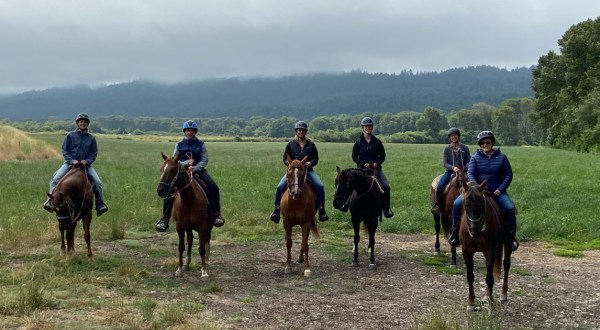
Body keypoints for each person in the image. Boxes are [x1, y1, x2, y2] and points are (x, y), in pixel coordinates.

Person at [449, 130, 519, 251]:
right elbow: (471, 173)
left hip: (497, 191)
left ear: (492, 142)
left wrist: (500, 189)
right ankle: (455, 234)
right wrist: (476, 188)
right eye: (482, 143)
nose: (485, 145)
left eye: (487, 142)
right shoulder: (475, 158)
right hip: (477, 191)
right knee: (456, 204)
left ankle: (510, 238)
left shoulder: (502, 157)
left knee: (509, 208)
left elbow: (508, 175)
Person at [155, 120, 225, 232]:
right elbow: (174, 161)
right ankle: (165, 219)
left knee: (213, 187)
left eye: (192, 131)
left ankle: (216, 214)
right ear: (185, 132)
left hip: (198, 171)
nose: (189, 132)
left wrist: (196, 167)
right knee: (169, 192)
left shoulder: (201, 144)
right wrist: (186, 163)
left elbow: (204, 159)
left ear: (195, 132)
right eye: (187, 130)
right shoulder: (179, 145)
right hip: (182, 173)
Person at [43, 113, 108, 216]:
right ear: (77, 123)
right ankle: (50, 202)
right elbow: (65, 150)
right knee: (55, 179)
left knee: (98, 182)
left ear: (87, 124)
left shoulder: (91, 138)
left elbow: (93, 153)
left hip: (85, 165)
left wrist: (87, 161)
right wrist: (71, 160)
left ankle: (100, 204)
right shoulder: (70, 135)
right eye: (81, 122)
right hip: (69, 163)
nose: (83, 123)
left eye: (85, 122)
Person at [269, 121, 329, 223]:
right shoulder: (290, 144)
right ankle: (276, 210)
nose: (301, 132)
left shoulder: (311, 144)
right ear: (296, 131)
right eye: (299, 130)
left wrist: (310, 163)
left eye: (303, 130)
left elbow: (316, 158)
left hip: (307, 171)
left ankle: (321, 210)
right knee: (280, 186)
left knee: (320, 186)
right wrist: (291, 165)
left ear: (305, 132)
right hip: (293, 172)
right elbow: (285, 158)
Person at [352, 117, 394, 218]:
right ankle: (347, 206)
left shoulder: (377, 142)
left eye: (369, 126)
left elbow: (382, 155)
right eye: (365, 126)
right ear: (363, 128)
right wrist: (362, 163)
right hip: (362, 170)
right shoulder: (358, 142)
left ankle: (386, 209)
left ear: (372, 127)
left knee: (386, 186)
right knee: (350, 185)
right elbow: (354, 156)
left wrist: (377, 163)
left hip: (375, 170)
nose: (367, 128)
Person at [431, 127, 471, 214]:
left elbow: (469, 161)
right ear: (450, 137)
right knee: (440, 185)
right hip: (450, 172)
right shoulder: (447, 149)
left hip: (464, 172)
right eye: (451, 136)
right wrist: (453, 168)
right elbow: (445, 163)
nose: (453, 137)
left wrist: (464, 168)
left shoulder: (465, 148)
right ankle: (437, 204)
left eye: (455, 135)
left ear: (458, 136)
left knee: (473, 184)